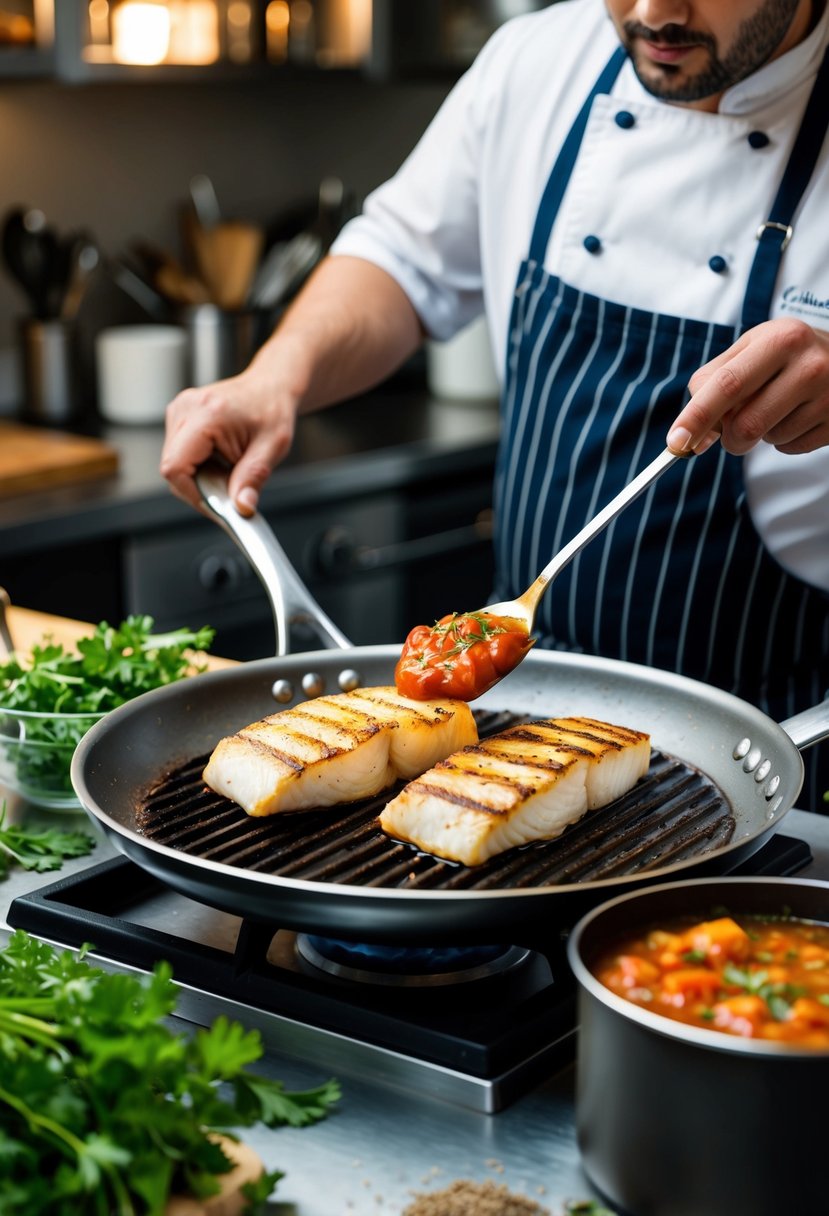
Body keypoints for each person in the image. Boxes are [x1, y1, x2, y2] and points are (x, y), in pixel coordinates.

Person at [161, 0, 829, 810]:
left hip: (769, 732)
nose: (654, 11)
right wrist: (277, 375)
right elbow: (404, 259)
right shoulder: (536, 63)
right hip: (517, 703)